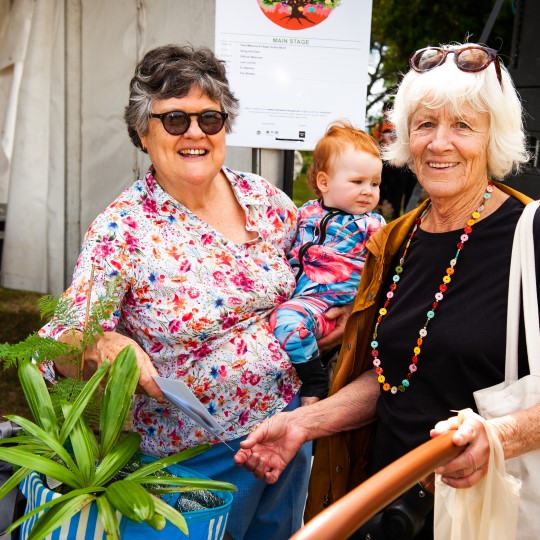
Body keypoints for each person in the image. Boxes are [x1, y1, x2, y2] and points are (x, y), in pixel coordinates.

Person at [38, 44, 348, 540]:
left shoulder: (265, 199)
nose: (196, 133)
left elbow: (321, 270)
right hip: (192, 464)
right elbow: (58, 342)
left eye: (210, 117)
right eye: (175, 120)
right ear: (143, 132)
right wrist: (105, 346)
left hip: (286, 435)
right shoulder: (125, 228)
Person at [235, 42, 538, 539]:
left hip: (485, 516)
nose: (440, 142)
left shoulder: (530, 233)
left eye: (463, 125)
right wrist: (303, 425)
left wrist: (500, 436)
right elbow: (394, 377)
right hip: (386, 507)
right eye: (425, 124)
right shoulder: (395, 239)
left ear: (493, 136)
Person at [270, 122, 385, 406]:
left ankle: (314, 381)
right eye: (357, 182)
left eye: (375, 183)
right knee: (283, 322)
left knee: (286, 322)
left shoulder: (373, 225)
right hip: (303, 299)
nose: (368, 191)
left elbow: (389, 269)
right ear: (324, 183)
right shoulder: (305, 213)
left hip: (330, 307)